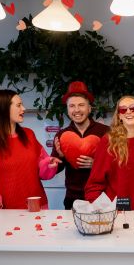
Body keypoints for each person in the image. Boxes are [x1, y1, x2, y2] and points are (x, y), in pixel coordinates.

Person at [0, 90, 61, 210]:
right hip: (5, 211)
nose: (24, 109)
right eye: (19, 105)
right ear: (3, 108)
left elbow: (42, 168)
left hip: (36, 208)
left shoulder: (29, 134)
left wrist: (48, 164)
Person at [84, 96, 134, 210]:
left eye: (133, 108)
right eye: (123, 109)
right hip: (116, 211)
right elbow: (94, 183)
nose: (128, 112)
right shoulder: (109, 142)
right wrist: (101, 211)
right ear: (119, 116)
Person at [51, 81, 108, 209]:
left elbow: (116, 165)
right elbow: (55, 170)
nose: (76, 110)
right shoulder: (61, 135)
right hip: (73, 199)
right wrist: (61, 157)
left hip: (101, 197)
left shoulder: (106, 132)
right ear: (67, 109)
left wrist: (96, 164)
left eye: (81, 105)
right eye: (72, 106)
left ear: (89, 108)